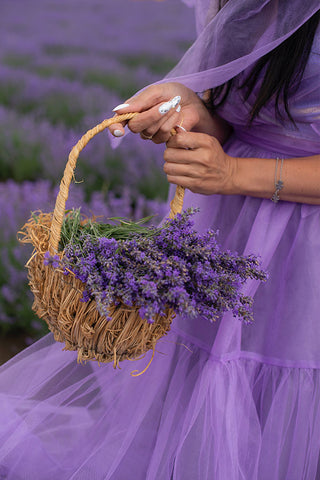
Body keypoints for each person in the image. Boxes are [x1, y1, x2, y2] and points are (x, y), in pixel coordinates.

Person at [1, 1, 320, 478]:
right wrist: (192, 106)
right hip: (224, 231)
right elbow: (242, 115)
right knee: (199, 409)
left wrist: (233, 171)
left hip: (304, 246)